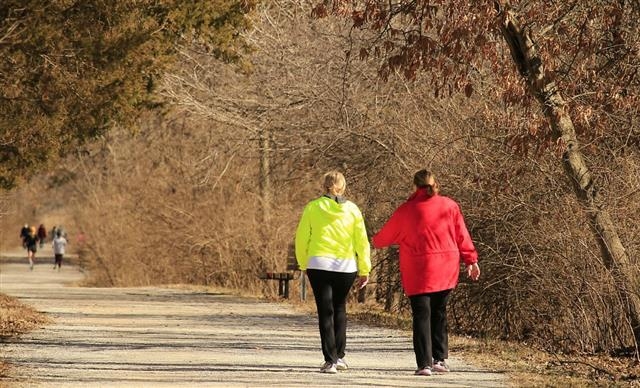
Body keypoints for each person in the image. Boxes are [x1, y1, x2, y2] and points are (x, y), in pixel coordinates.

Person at [372, 169, 480, 377]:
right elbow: (462, 235)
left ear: (415, 186)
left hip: (418, 270)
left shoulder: (406, 210)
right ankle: (439, 358)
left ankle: (424, 364)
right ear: (435, 184)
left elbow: (386, 236)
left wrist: (373, 242)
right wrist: (471, 260)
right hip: (446, 267)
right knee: (439, 313)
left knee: (422, 315)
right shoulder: (449, 206)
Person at [295, 171, 371, 374]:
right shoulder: (352, 209)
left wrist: (303, 263)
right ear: (343, 187)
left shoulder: (313, 207)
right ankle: (340, 356)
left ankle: (330, 360)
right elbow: (362, 241)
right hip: (345, 266)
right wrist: (365, 268)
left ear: (324, 186)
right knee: (339, 308)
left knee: (324, 311)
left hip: (318, 264)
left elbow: (302, 238)